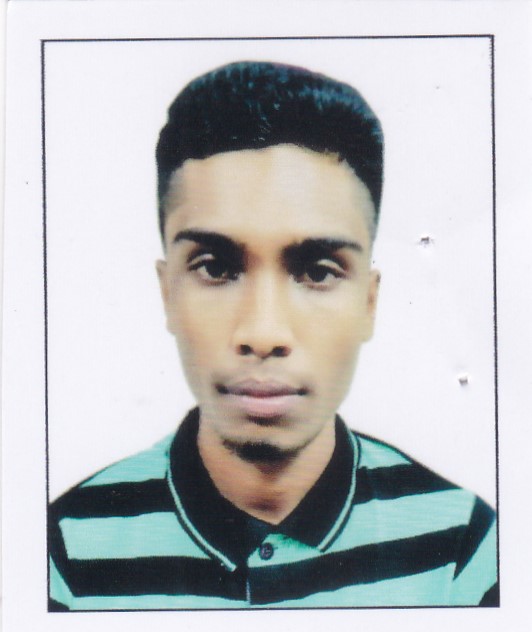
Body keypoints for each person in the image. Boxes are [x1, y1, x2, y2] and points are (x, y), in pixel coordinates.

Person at [48, 61, 498, 610]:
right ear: (168, 293)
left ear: (369, 302)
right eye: (215, 267)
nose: (263, 333)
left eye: (318, 271)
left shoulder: (464, 550)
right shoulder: (61, 556)